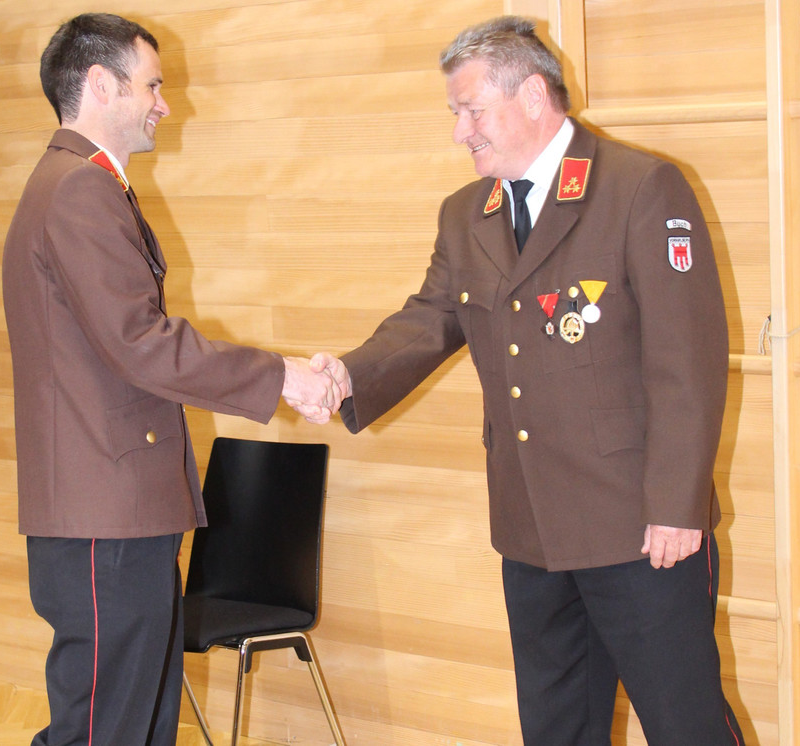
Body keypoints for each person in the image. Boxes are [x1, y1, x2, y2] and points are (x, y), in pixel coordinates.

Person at [303, 16, 745, 745]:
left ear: (533, 96)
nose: (460, 132)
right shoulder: (465, 213)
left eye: (471, 110)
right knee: (555, 729)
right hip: (531, 527)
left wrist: (677, 505)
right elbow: (430, 318)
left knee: (685, 726)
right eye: (455, 113)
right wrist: (347, 376)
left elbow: (686, 362)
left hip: (639, 528)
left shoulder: (638, 187)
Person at [1, 13, 340, 746]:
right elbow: (141, 345)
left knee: (140, 727)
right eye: (152, 86)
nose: (163, 103)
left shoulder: (79, 184)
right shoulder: (79, 189)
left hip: (117, 512)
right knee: (107, 731)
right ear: (101, 84)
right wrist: (280, 375)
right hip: (105, 517)